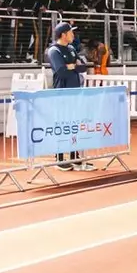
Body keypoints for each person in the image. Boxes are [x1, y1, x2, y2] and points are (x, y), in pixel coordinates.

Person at [46, 22, 94, 170]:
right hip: (62, 92)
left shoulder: (72, 49)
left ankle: (74, 156)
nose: (73, 35)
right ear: (63, 35)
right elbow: (61, 71)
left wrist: (72, 66)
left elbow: (82, 66)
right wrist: (72, 66)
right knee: (62, 125)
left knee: (75, 125)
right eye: (71, 32)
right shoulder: (54, 51)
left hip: (75, 91)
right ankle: (59, 158)